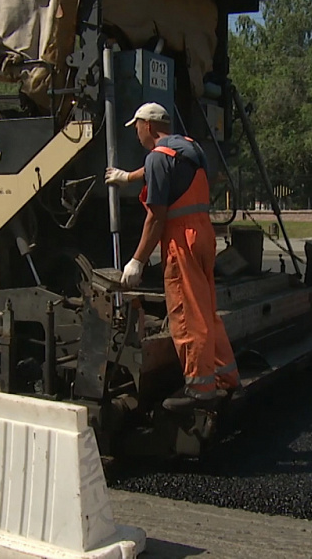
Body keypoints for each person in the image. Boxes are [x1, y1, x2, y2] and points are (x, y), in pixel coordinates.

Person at [105, 102, 240, 411]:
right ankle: (227, 377)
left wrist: (137, 261)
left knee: (185, 315)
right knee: (206, 311)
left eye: (136, 127)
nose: (136, 133)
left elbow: (155, 219)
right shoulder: (187, 147)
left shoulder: (156, 158)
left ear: (148, 127)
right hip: (204, 235)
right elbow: (159, 170)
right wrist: (127, 177)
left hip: (181, 241)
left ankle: (200, 388)